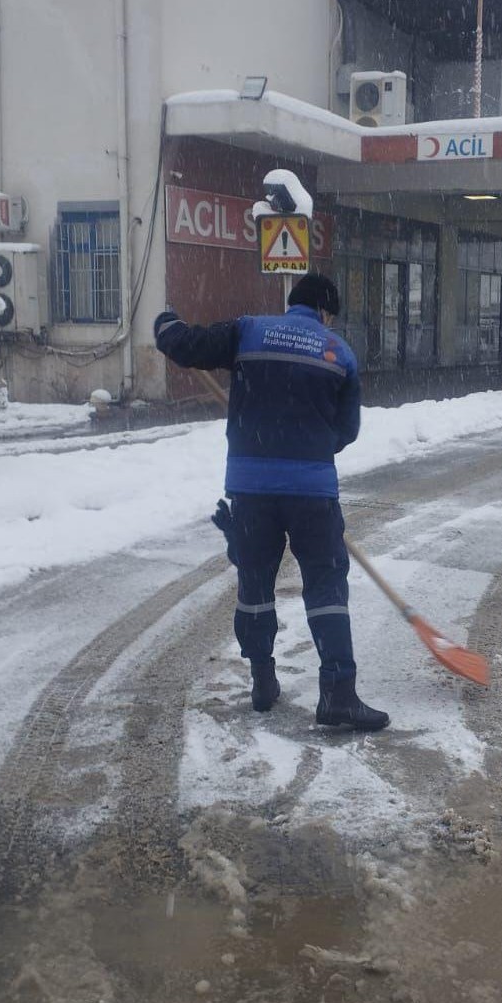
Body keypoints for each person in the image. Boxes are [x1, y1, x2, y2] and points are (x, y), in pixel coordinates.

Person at [154, 271, 389, 731]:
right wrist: (310, 443)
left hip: (251, 487)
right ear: (325, 312)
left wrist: (165, 323)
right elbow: (347, 432)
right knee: (325, 586)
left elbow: (185, 345)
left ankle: (262, 678)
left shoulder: (248, 330)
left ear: (293, 303)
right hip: (312, 491)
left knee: (256, 582)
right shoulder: (338, 352)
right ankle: (339, 693)